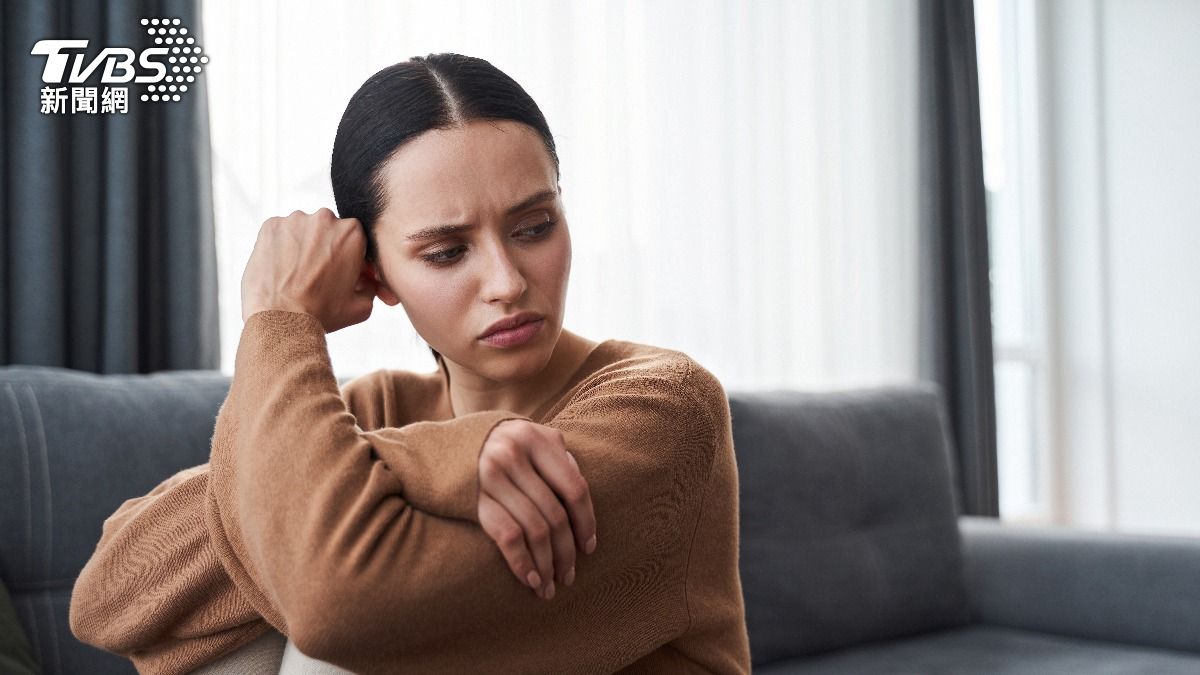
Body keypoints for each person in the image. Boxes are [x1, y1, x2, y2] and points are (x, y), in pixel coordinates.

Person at [68, 52, 751, 674]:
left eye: (535, 226)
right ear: (378, 277)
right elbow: (108, 594)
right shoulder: (376, 410)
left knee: (326, 643)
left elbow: (333, 605)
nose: (507, 281)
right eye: (448, 251)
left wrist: (290, 352)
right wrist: (446, 452)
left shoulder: (664, 405)